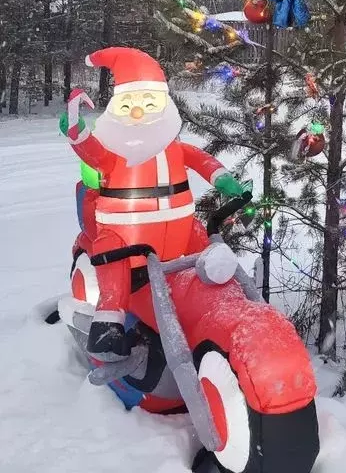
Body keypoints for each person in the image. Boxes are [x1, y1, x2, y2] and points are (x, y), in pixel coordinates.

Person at [60, 46, 247, 359]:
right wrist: (77, 133)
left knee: (203, 239)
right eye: (130, 104)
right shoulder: (114, 153)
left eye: (148, 103)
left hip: (179, 232)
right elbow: (90, 151)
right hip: (126, 237)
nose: (138, 112)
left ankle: (224, 300)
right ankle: (110, 319)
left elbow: (200, 160)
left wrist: (223, 179)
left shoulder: (175, 147)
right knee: (112, 254)